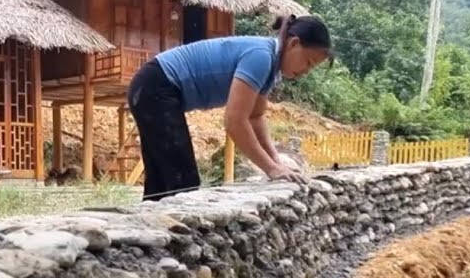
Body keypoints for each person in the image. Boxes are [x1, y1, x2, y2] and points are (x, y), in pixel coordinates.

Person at [126, 14, 332, 201]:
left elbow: (255, 117)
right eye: (308, 62)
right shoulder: (261, 56)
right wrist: (270, 168)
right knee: (184, 183)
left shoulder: (271, 67)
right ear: (294, 43)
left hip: (153, 86)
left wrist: (277, 162)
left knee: (161, 185)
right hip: (155, 85)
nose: (306, 71)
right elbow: (235, 122)